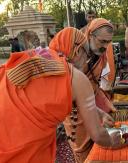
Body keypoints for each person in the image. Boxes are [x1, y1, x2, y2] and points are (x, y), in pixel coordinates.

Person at [0, 27, 122, 163]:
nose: (86, 60)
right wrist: (113, 140)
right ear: (78, 50)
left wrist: (99, 113)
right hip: (24, 154)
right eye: (85, 54)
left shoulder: (30, 58)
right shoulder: (75, 77)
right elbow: (98, 135)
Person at [50, 19, 116, 163]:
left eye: (108, 42)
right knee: (82, 150)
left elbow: (95, 85)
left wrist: (101, 110)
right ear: (90, 35)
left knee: (97, 146)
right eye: (102, 41)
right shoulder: (72, 57)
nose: (106, 47)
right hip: (75, 113)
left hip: (91, 105)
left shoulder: (100, 56)